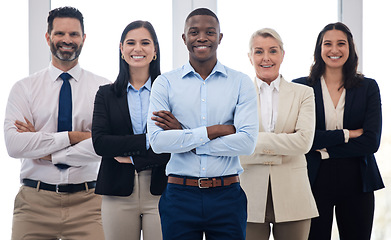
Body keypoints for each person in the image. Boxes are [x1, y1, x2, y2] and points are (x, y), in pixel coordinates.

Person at [147, 7, 259, 240]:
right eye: (194, 31)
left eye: (209, 32)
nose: (201, 37)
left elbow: (247, 143)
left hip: (227, 196)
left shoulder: (241, 82)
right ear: (184, 38)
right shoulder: (165, 83)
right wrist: (215, 131)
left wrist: (185, 137)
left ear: (219, 37)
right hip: (180, 196)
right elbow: (158, 142)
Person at [3, 6, 110, 240]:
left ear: (84, 38)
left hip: (90, 203)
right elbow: (15, 146)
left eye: (74, 34)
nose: (67, 40)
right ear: (47, 37)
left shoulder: (103, 89)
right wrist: (75, 136)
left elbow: (105, 146)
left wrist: (41, 145)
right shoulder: (24, 89)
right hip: (34, 203)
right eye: (59, 33)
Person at [293, 22, 384, 240]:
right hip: (313, 180)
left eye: (341, 44)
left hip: (358, 180)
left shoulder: (368, 87)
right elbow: (300, 138)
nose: (335, 50)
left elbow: (371, 142)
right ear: (319, 49)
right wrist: (348, 134)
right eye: (328, 44)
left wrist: (323, 148)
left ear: (350, 48)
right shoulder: (301, 88)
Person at [91, 20, 170, 240]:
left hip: (161, 190)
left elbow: (176, 144)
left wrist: (136, 159)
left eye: (145, 43)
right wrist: (148, 140)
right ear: (121, 49)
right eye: (131, 43)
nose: (138, 48)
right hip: (117, 191)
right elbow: (101, 143)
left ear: (155, 50)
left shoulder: (170, 93)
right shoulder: (105, 94)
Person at [240, 28, 318, 240]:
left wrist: (251, 140)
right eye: (258, 52)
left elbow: (303, 142)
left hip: (294, 195)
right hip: (248, 195)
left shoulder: (304, 93)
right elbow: (233, 146)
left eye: (273, 51)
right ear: (250, 57)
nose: (266, 58)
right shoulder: (236, 95)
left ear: (282, 54)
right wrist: (283, 146)